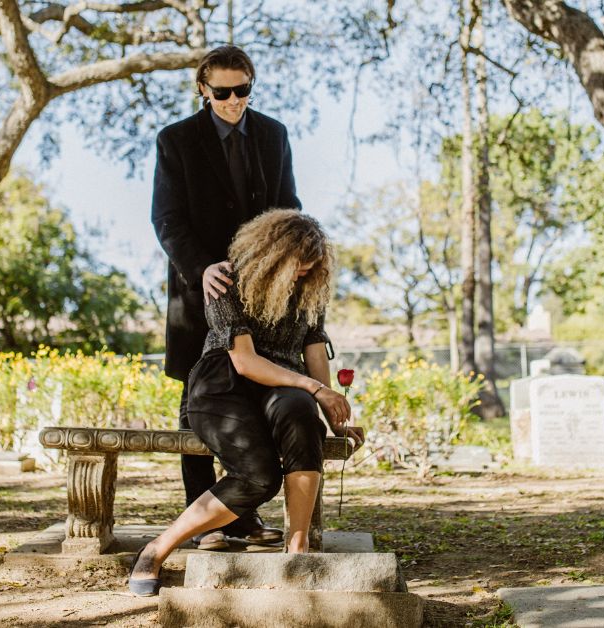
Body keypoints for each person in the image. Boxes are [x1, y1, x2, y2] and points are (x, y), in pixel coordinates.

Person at [129, 210, 365, 597]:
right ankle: (156, 550)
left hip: (282, 385)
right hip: (224, 382)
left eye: (310, 269)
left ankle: (297, 550)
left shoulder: (309, 291)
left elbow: (314, 352)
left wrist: (331, 413)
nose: (303, 274)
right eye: (297, 266)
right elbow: (246, 361)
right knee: (260, 477)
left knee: (302, 414)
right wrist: (314, 387)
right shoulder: (226, 279)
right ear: (272, 253)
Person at [151, 45, 302, 550]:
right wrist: (201, 268)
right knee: (193, 403)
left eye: (243, 91)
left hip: (259, 293)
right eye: (223, 93)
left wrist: (283, 266)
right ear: (203, 88)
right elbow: (167, 219)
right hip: (199, 291)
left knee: (255, 393)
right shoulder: (174, 140)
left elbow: (288, 207)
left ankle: (241, 516)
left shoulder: (273, 135)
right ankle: (206, 526)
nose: (234, 101)